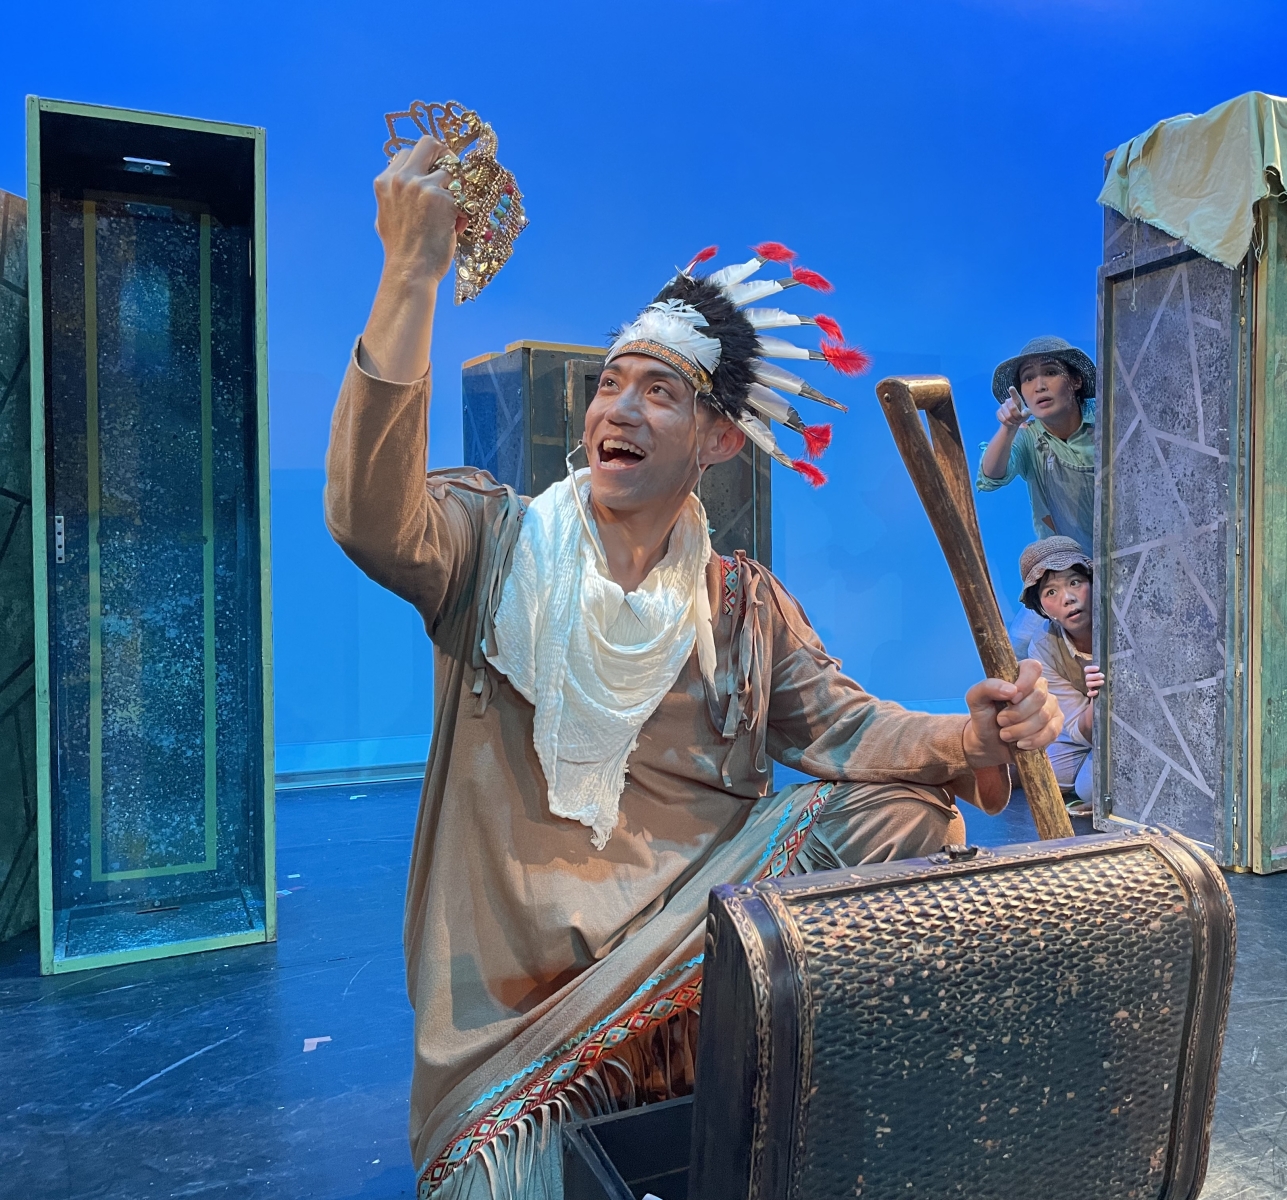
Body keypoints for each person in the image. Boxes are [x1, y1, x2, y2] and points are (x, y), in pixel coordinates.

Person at [327, 135, 1064, 1200]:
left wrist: (975, 733)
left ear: (717, 442)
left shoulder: (741, 604)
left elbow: (855, 731)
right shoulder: (491, 551)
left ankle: (805, 1094)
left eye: (659, 393)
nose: (618, 410)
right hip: (526, 1028)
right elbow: (369, 515)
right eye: (609, 386)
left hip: (694, 956)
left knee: (903, 812)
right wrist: (410, 276)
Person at [974, 336, 1098, 657]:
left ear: (1075, 380)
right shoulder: (1028, 437)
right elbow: (991, 476)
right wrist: (1008, 428)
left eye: (1051, 373)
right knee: (1017, 649)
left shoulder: (1108, 420)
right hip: (1066, 571)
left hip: (1127, 560)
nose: (1039, 385)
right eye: (1028, 378)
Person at [1017, 537, 1103, 811]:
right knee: (1050, 777)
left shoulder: (1119, 621)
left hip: (1133, 723)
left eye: (1075, 582)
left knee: (1088, 789)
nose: (1068, 598)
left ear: (1093, 582)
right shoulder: (1044, 646)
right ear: (1042, 608)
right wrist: (1099, 701)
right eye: (1051, 592)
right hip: (1090, 723)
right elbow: (1077, 725)